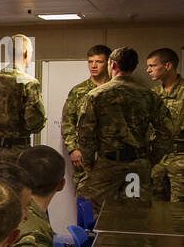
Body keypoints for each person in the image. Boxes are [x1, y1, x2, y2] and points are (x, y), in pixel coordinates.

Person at [76, 47, 173, 210]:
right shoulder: (149, 96)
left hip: (108, 163)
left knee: (94, 210)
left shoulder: (96, 95)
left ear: (112, 64)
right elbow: (166, 131)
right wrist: (152, 158)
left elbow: (85, 134)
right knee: (135, 214)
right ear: (133, 66)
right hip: (138, 165)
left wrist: (89, 163)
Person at [0, 34, 44, 168]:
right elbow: (35, 123)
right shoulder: (29, 83)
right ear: (26, 53)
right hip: (17, 154)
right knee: (16, 188)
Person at [61, 45, 111, 199]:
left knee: (111, 202)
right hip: (84, 157)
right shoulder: (79, 91)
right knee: (85, 202)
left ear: (109, 63)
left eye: (99, 62)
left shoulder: (116, 89)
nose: (93, 66)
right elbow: (68, 121)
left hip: (112, 156)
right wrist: (72, 149)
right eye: (90, 62)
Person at [146, 48, 184, 202]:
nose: (148, 70)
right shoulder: (152, 94)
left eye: (153, 66)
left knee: (179, 210)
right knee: (156, 207)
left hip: (181, 159)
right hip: (156, 160)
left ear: (168, 66)